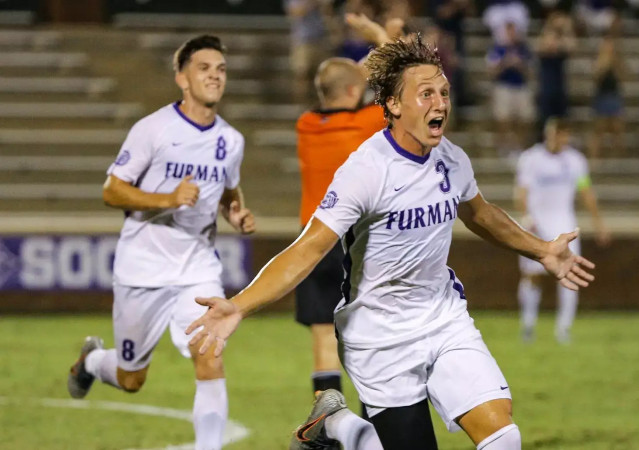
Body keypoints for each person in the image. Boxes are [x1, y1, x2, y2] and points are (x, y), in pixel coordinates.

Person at [186, 35, 595, 450]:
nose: (440, 103)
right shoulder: (366, 171)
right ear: (394, 106)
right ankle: (335, 424)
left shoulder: (452, 159)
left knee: (504, 439)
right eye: (426, 94)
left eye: (444, 93)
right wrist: (239, 305)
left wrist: (542, 249)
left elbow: (481, 214)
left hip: (443, 319)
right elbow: (308, 248)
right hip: (379, 336)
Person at [67, 35, 256, 450]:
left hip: (197, 267)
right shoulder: (152, 129)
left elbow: (227, 191)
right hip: (142, 269)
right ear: (182, 79)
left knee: (210, 352)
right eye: (204, 68)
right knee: (132, 378)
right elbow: (112, 191)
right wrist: (166, 199)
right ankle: (93, 361)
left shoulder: (231, 141)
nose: (215, 76)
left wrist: (235, 213)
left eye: (221, 69)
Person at [294, 14, 390, 404]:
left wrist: (355, 71)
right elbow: (393, 83)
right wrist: (381, 37)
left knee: (322, 334)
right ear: (355, 90)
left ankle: (327, 422)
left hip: (313, 241)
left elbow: (345, 83)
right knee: (367, 335)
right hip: (355, 244)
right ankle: (376, 420)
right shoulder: (367, 124)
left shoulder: (306, 125)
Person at [515, 118, 610, 344]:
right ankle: (528, 324)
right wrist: (527, 218)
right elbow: (521, 192)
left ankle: (563, 329)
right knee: (533, 276)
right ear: (548, 134)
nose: (561, 139)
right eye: (558, 133)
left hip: (565, 225)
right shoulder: (531, 159)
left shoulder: (576, 161)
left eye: (565, 134)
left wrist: (599, 224)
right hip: (537, 225)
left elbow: (586, 191)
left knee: (570, 274)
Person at [486, 21, 534, 155]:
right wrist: (505, 63)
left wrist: (520, 65)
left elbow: (531, 72)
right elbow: (491, 72)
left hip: (521, 86)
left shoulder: (524, 49)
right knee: (503, 118)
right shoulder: (498, 49)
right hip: (504, 86)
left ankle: (519, 146)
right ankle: (504, 146)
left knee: (524, 118)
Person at [535, 11, 576, 141]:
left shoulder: (563, 41)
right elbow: (547, 46)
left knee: (562, 120)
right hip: (547, 88)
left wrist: (566, 29)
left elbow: (571, 47)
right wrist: (552, 26)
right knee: (546, 121)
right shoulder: (545, 38)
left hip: (560, 88)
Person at [588, 35, 625, 164]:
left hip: (614, 95)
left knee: (617, 129)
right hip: (602, 96)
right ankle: (595, 161)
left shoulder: (617, 60)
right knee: (599, 130)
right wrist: (603, 64)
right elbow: (596, 77)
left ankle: (616, 161)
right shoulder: (598, 60)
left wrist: (614, 63)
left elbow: (623, 75)